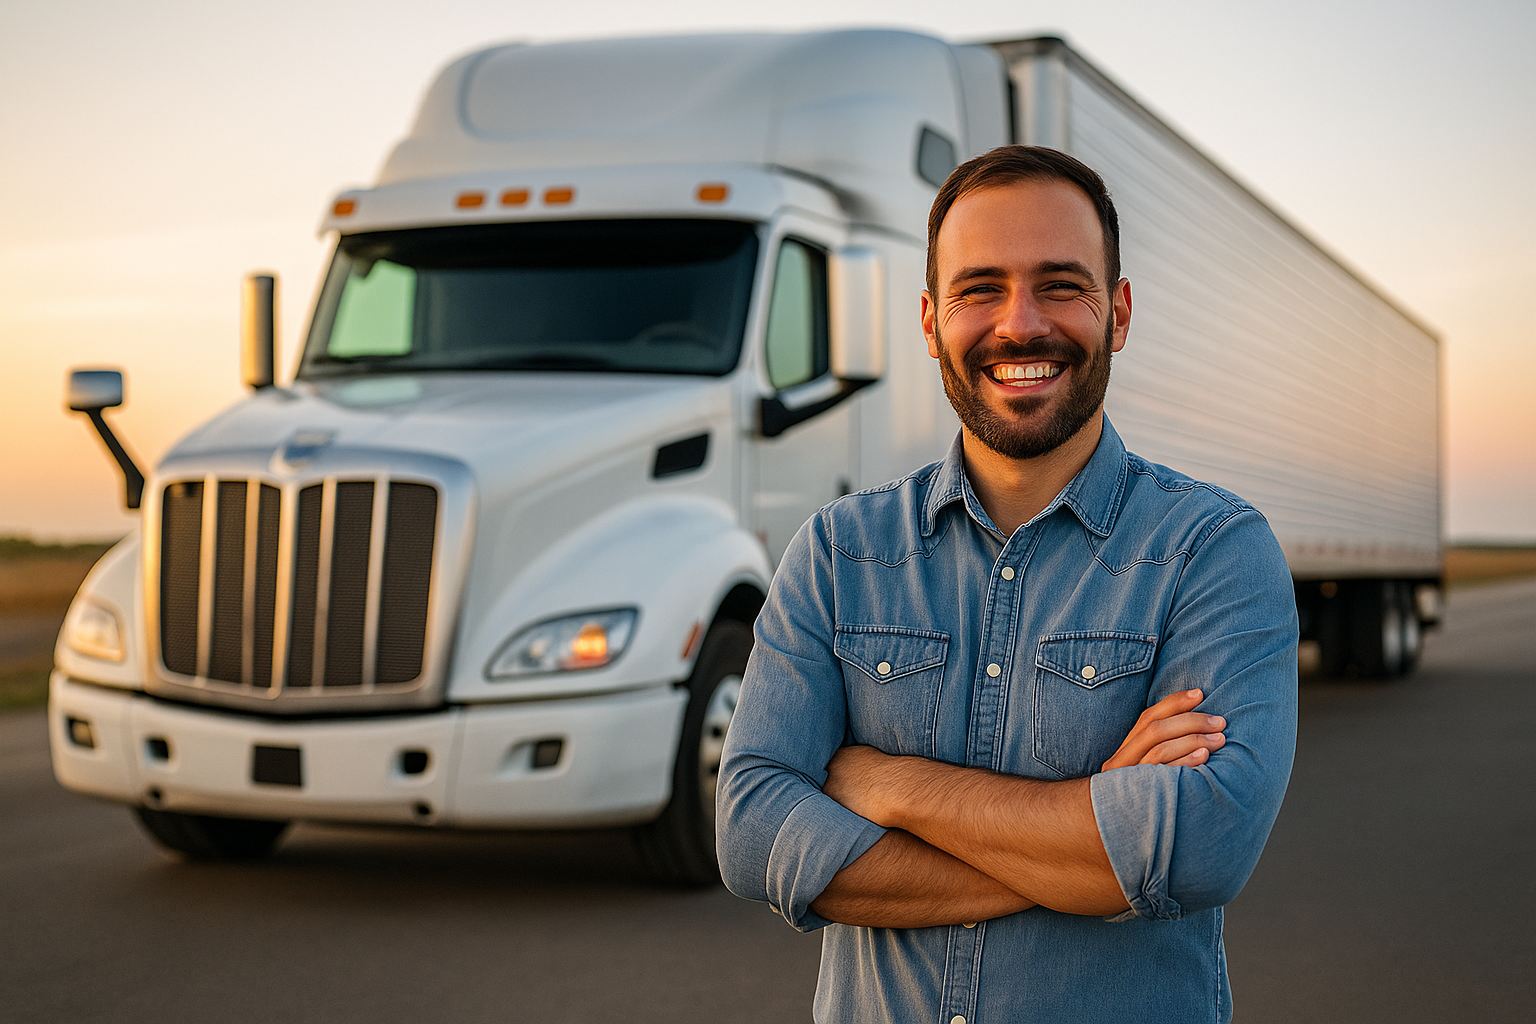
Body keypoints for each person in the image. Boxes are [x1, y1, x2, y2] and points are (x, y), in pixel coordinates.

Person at [716, 145, 1298, 1024]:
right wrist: (1091, 857)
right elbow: (753, 829)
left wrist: (892, 786)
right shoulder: (840, 554)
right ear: (928, 318)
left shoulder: (1211, 550)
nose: (1019, 324)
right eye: (978, 288)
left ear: (1120, 313)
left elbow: (1200, 848)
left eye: (1061, 284)